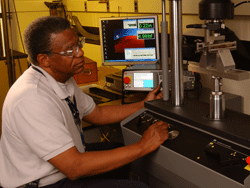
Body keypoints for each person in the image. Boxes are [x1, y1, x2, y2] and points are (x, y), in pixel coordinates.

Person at [0, 16, 169, 187]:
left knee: (118, 150)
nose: (80, 53)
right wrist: (143, 145)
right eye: (70, 50)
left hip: (66, 165)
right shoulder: (31, 98)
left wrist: (144, 104)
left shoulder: (61, 77)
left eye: (78, 44)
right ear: (44, 59)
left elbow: (98, 115)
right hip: (45, 182)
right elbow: (75, 167)